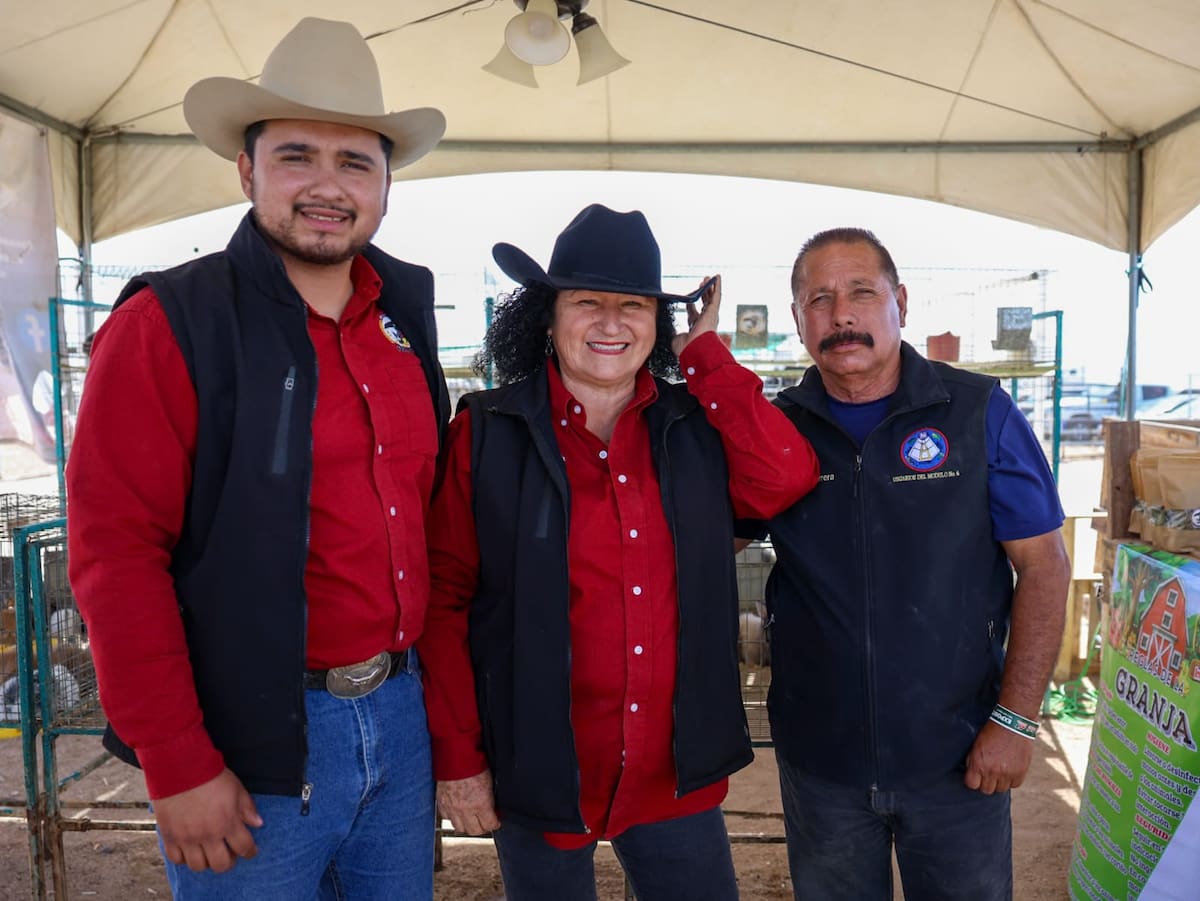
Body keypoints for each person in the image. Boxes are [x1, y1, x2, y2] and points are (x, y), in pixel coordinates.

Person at [66, 18, 450, 899]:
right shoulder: (168, 322)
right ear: (247, 171)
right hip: (246, 733)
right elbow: (115, 552)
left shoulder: (406, 314)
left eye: (354, 162)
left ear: (387, 183)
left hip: (400, 712)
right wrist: (175, 759)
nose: (328, 185)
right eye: (296, 157)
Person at [417, 204, 820, 900]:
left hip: (674, 768)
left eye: (633, 305)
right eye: (587, 302)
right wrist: (460, 759)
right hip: (535, 767)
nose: (611, 323)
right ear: (548, 318)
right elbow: (443, 600)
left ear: (657, 324)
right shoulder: (486, 433)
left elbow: (786, 477)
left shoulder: (696, 427)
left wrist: (704, 356)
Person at [748, 227, 1071, 900]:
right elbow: (698, 541)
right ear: (798, 320)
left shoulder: (978, 412)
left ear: (899, 302)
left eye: (861, 292)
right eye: (819, 299)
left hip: (958, 758)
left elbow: (1044, 565)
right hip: (822, 763)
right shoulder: (779, 430)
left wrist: (1014, 720)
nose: (841, 315)